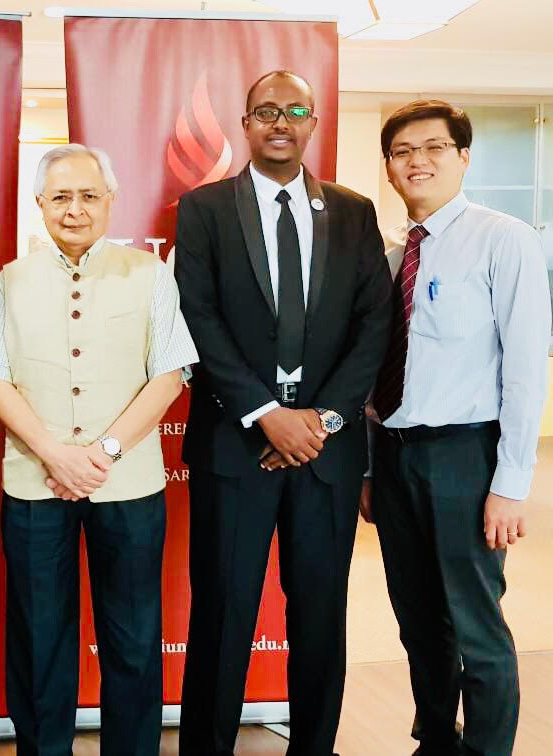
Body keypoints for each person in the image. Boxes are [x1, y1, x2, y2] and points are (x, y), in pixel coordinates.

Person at [174, 70, 393, 755]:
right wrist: (267, 413)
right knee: (223, 614)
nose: (280, 122)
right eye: (266, 110)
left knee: (321, 617)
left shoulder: (353, 212)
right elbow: (198, 316)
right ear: (245, 124)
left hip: (326, 454)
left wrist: (319, 421)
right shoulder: (204, 208)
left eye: (295, 110)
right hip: (235, 447)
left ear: (312, 123)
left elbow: (374, 325)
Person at [0, 144, 197, 755]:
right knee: (39, 637)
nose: (75, 209)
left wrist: (104, 452)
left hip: (128, 485)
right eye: (61, 197)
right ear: (40, 204)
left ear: (110, 200)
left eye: (89, 196)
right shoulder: (12, 281)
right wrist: (55, 454)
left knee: (133, 636)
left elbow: (169, 375)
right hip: (34, 483)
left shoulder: (150, 274)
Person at [364, 100, 550, 756]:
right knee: (418, 620)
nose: (417, 160)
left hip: (466, 456)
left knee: (476, 623)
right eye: (402, 151)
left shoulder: (504, 239)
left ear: (463, 156)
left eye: (434, 147)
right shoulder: (389, 256)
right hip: (393, 457)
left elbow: (525, 370)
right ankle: (438, 738)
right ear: (389, 167)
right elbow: (371, 374)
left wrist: (510, 484)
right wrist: (369, 469)